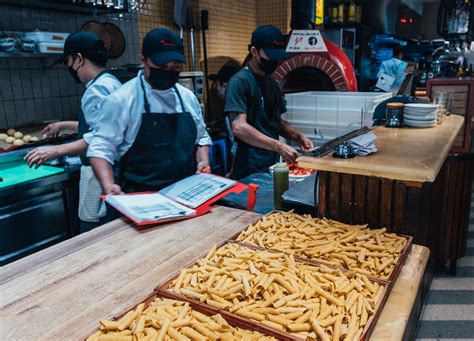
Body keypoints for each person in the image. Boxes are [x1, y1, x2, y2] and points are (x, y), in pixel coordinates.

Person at [88, 28, 212, 195]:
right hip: (141, 197)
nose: (168, 72)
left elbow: (201, 137)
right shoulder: (123, 99)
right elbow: (100, 148)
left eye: (175, 68)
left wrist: (203, 161)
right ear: (143, 60)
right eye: (161, 66)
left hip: (186, 194)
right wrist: (108, 184)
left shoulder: (187, 98)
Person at [25, 32, 122, 232]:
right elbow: (105, 126)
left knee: (94, 237)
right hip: (114, 170)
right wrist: (65, 125)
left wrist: (54, 151)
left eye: (68, 61)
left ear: (78, 59)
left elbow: (99, 138)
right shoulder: (111, 82)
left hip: (100, 174)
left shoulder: (96, 90)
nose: (70, 69)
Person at [224, 25, 313, 180]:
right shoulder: (239, 82)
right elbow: (239, 127)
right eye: (270, 56)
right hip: (248, 168)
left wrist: (296, 135)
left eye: (278, 57)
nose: (275, 61)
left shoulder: (271, 83)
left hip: (270, 164)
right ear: (254, 52)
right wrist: (278, 146)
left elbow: (275, 122)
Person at [209, 62, 241, 178]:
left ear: (223, 85)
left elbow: (237, 145)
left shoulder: (233, 108)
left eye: (216, 84)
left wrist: (232, 171)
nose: (215, 89)